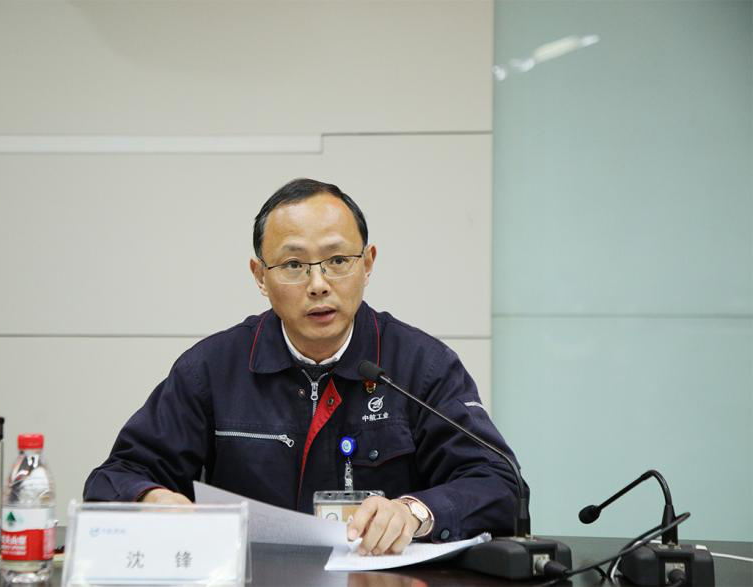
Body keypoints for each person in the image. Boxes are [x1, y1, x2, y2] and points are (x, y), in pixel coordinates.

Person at [84, 178, 523, 556]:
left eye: (338, 261)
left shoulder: (421, 365)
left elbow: (499, 483)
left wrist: (413, 513)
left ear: (368, 263)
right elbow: (116, 477)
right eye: (293, 265)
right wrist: (154, 500)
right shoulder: (213, 369)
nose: (318, 284)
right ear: (260, 276)